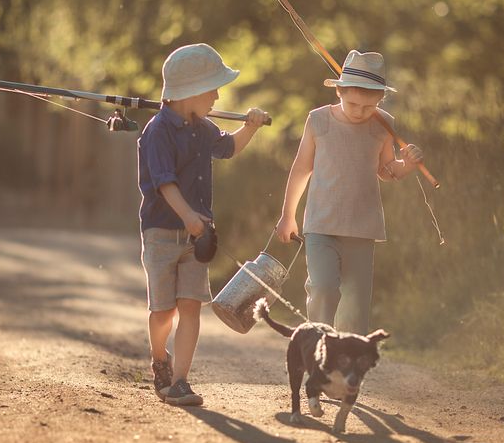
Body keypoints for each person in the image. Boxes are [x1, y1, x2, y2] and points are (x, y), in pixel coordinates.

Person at [138, 43, 269, 406]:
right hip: (162, 233)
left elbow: (228, 148)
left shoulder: (203, 127)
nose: (217, 96)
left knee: (191, 306)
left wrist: (250, 128)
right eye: (212, 89)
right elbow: (165, 183)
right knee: (163, 311)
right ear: (190, 92)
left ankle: (180, 380)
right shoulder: (158, 132)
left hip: (198, 237)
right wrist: (188, 217)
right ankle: (160, 360)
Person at [274, 50, 423, 335]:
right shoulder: (319, 120)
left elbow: (386, 170)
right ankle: (318, 345)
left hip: (362, 227)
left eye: (368, 107)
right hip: (321, 223)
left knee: (355, 304)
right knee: (323, 288)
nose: (359, 111)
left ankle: (348, 358)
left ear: (380, 100)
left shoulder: (383, 123)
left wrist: (408, 165)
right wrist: (288, 215)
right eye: (353, 103)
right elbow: (302, 168)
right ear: (339, 92)